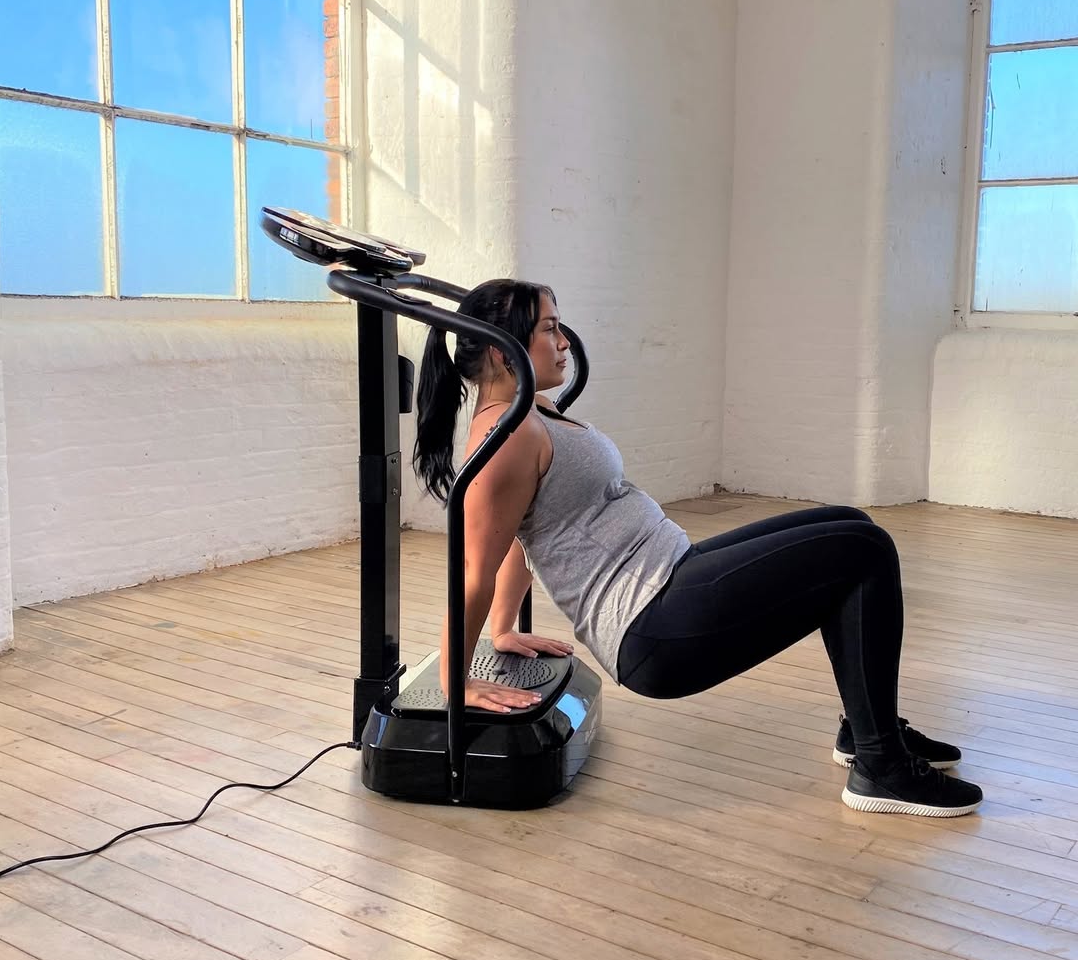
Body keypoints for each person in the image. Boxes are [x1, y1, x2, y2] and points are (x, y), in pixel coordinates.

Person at [413, 279, 983, 818]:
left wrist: (506, 628)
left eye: (560, 326)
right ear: (499, 351)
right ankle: (880, 764)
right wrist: (456, 682)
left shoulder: (529, 411)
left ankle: (866, 731)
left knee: (850, 526)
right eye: (548, 328)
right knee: (862, 549)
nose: (564, 342)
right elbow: (473, 569)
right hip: (652, 624)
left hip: (669, 574)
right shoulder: (506, 439)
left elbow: (520, 535)